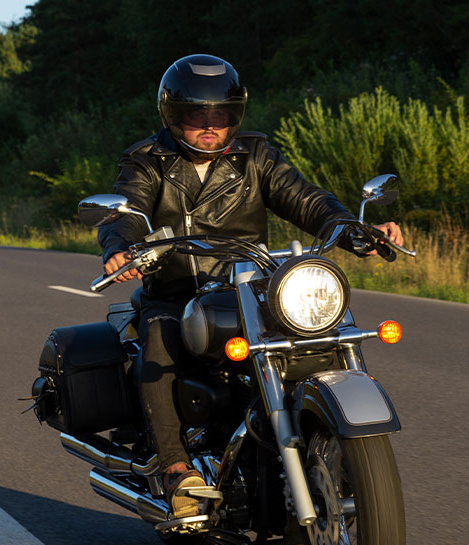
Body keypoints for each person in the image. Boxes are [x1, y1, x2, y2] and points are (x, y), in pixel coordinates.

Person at [98, 54, 403, 519]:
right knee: (159, 339)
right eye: (196, 116)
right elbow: (125, 210)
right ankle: (176, 468)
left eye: (219, 116)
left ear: (234, 115)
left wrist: (356, 228)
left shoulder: (256, 155)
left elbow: (305, 198)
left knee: (316, 328)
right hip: (177, 292)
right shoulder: (147, 161)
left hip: (250, 288)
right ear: (173, 115)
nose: (209, 126)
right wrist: (120, 246)